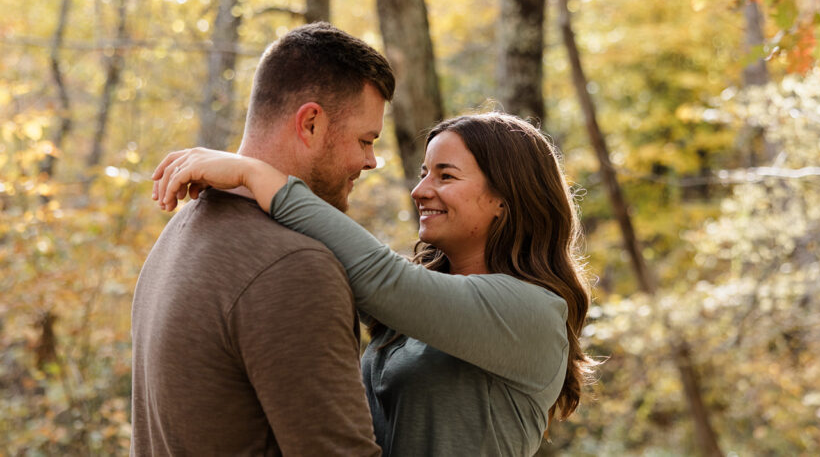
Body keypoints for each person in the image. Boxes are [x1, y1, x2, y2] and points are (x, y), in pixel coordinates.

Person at [152, 112, 594, 456]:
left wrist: (257, 175)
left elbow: (379, 277)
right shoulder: (414, 310)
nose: (420, 190)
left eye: (445, 175)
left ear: (504, 199)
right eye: (424, 172)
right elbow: (343, 269)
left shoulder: (534, 312)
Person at [130, 22, 394, 455]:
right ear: (310, 123)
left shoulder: (181, 231)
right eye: (365, 140)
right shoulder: (294, 268)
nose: (370, 161)